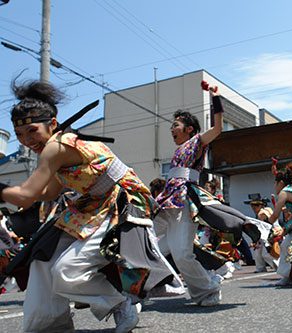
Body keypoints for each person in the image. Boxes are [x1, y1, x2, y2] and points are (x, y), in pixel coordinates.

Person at [0, 80, 175, 332]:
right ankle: (50, 325)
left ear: (52, 123)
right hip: (92, 206)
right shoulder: (56, 145)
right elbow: (49, 191)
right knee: (42, 260)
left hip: (120, 203)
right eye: (19, 135)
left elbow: (27, 195)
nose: (26, 140)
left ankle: (120, 304)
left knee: (67, 271)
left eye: (32, 131)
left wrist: (12, 192)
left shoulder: (55, 147)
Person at [154, 82, 225, 306]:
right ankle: (145, 286)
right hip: (166, 201)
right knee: (146, 242)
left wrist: (215, 98)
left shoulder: (197, 141)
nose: (172, 130)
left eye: (175, 125)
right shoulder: (178, 151)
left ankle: (209, 288)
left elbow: (217, 129)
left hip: (184, 199)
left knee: (182, 253)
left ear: (189, 129)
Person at [244, 194, 277, 273]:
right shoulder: (267, 210)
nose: (253, 208)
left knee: (265, 253)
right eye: (252, 206)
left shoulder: (262, 213)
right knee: (258, 252)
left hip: (270, 233)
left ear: (261, 205)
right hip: (266, 234)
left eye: (256, 206)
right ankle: (260, 268)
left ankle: (278, 266)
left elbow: (265, 227)